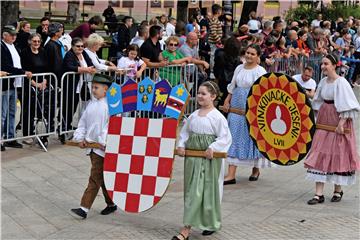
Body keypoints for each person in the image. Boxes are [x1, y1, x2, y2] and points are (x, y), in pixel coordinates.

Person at [173, 81, 232, 240]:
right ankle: (187, 227)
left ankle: (208, 222)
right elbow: (185, 133)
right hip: (193, 161)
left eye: (204, 93)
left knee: (208, 191)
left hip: (209, 161)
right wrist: (181, 145)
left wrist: (213, 147)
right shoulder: (193, 115)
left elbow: (225, 138)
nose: (200, 96)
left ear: (213, 96)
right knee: (193, 192)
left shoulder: (217, 117)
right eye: (198, 92)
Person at [304, 54, 360, 205]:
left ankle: (337, 189)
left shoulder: (341, 82)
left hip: (338, 119)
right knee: (319, 151)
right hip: (324, 119)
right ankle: (318, 194)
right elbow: (317, 101)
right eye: (322, 64)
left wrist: (341, 123)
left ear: (334, 65)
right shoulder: (323, 81)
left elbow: (348, 105)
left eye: (326, 64)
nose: (323, 66)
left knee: (338, 153)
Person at [223, 44, 274, 185]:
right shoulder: (239, 68)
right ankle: (231, 174)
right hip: (236, 104)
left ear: (258, 56)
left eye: (252, 54)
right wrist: (227, 101)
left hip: (253, 104)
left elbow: (264, 91)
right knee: (233, 135)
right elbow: (232, 86)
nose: (249, 56)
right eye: (247, 53)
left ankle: (256, 168)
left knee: (252, 136)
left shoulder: (260, 71)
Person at [70, 73, 117, 219]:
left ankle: (84, 208)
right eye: (92, 87)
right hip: (92, 147)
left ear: (105, 89)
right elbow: (83, 123)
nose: (93, 90)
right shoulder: (91, 104)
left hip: (102, 148)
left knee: (95, 177)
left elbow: (110, 127)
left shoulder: (110, 106)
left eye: (96, 87)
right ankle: (111, 204)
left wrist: (103, 141)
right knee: (101, 178)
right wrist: (80, 138)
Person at [1, 25, 32, 151]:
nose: (14, 36)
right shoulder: (2, 47)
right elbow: (5, 66)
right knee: (2, 114)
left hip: (14, 84)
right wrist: (23, 72)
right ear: (4, 35)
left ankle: (10, 137)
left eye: (15, 34)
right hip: (5, 84)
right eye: (11, 34)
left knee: (12, 113)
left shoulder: (14, 46)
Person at [20, 33, 55, 146]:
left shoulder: (43, 52)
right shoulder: (25, 52)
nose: (36, 43)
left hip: (42, 83)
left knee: (42, 108)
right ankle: (28, 134)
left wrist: (44, 81)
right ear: (30, 41)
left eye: (38, 41)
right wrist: (35, 84)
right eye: (34, 41)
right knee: (28, 109)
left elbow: (47, 67)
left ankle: (43, 132)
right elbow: (24, 69)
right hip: (29, 83)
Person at [61, 38, 96, 141]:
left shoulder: (83, 53)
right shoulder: (69, 55)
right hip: (71, 84)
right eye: (78, 46)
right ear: (72, 46)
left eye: (82, 46)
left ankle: (74, 127)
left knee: (79, 106)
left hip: (83, 84)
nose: (80, 48)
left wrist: (90, 69)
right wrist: (86, 69)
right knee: (69, 107)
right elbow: (70, 67)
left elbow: (91, 64)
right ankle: (63, 129)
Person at [214, 36, 241, 107]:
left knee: (221, 99)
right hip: (231, 80)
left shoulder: (219, 53)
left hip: (221, 79)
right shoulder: (237, 59)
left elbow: (216, 67)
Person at [208, 4, 223, 77]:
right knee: (213, 56)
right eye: (221, 10)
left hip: (215, 42)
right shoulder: (214, 20)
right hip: (214, 42)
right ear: (218, 11)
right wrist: (219, 40)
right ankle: (212, 71)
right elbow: (213, 32)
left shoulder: (215, 20)